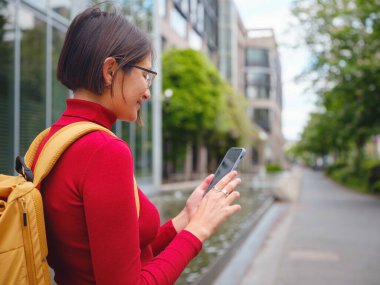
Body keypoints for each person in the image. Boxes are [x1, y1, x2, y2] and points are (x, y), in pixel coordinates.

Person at [32, 5, 242, 285]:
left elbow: (117, 258)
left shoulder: (49, 141)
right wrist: (199, 231)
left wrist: (184, 220)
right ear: (110, 70)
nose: (147, 91)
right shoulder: (104, 150)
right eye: (145, 74)